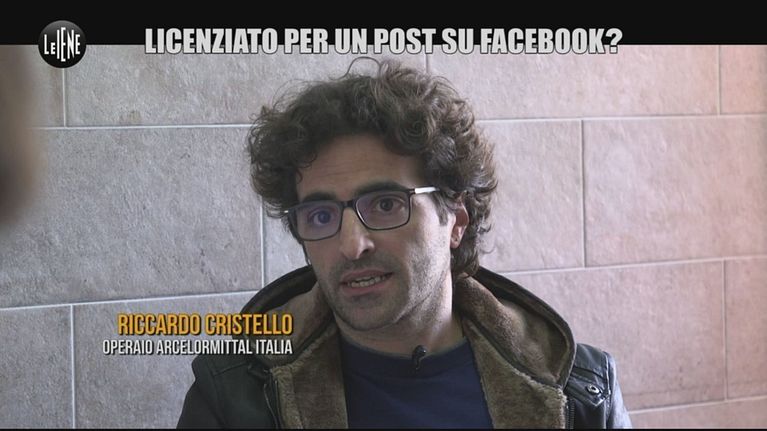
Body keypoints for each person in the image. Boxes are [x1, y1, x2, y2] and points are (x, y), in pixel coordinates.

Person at [177, 59, 632, 428]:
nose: (352, 245)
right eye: (321, 215)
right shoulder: (235, 396)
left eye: (385, 205)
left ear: (455, 220)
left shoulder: (579, 392)